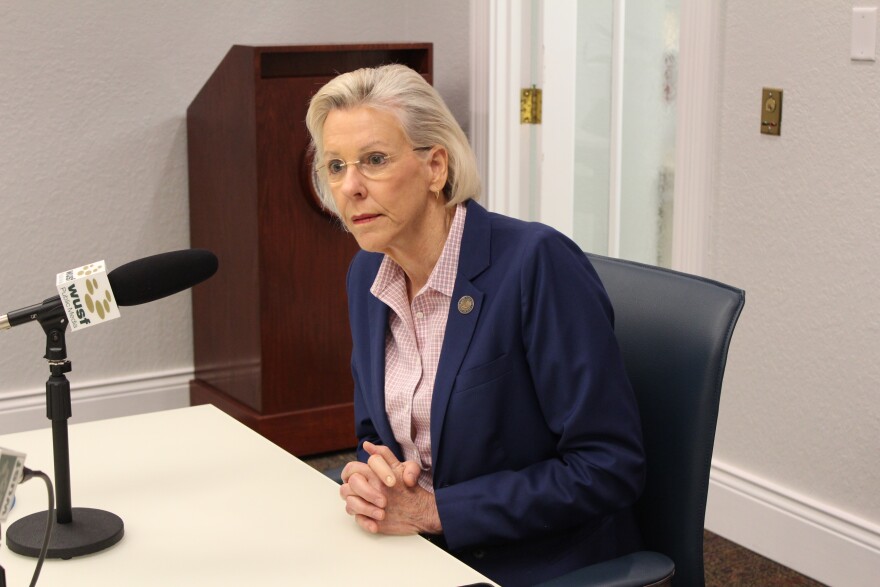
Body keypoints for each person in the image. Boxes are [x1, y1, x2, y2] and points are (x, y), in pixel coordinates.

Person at [305, 64, 645, 587]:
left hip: (533, 561)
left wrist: (439, 511)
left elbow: (607, 467)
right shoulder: (367, 273)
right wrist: (372, 477)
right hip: (415, 551)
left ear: (435, 166)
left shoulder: (537, 264)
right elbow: (376, 434)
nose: (349, 187)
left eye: (374, 160)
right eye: (335, 166)